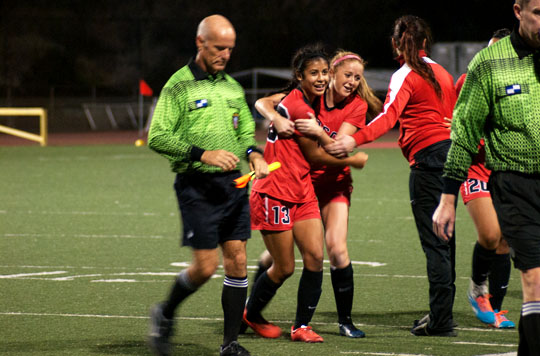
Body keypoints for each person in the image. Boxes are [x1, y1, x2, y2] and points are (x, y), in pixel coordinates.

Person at [325, 15, 458, 336]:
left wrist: (353, 139)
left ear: (396, 43)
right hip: (452, 158)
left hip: (428, 161)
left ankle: (440, 320)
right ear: (427, 43)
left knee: (435, 243)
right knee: (446, 239)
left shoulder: (406, 74)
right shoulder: (441, 72)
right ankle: (441, 313)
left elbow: (388, 117)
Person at [146, 14, 269, 356]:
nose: (225, 55)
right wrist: (203, 154)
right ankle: (165, 313)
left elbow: (245, 133)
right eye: (219, 48)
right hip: (196, 187)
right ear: (200, 43)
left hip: (233, 186)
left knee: (238, 263)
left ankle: (230, 344)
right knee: (204, 267)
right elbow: (157, 136)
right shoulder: (178, 85)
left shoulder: (233, 87)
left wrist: (253, 154)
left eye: (230, 49)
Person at [246, 50, 382, 338]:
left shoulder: (352, 105)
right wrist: (276, 117)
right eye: (347, 75)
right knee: (280, 264)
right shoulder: (303, 101)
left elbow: (336, 145)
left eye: (358, 77)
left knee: (325, 252)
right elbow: (316, 153)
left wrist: (320, 133)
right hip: (285, 185)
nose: (352, 82)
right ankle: (250, 313)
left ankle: (318, 323)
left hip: (319, 184)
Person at [433, 0, 540, 353]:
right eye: (538, 12)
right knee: (531, 277)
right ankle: (481, 291)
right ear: (518, 11)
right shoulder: (486, 66)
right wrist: (447, 197)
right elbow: (463, 132)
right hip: (512, 180)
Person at [454, 28, 515, 329]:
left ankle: (496, 308)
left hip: (507, 168)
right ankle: (478, 290)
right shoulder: (468, 81)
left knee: (505, 239)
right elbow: (455, 122)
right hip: (476, 168)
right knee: (490, 235)